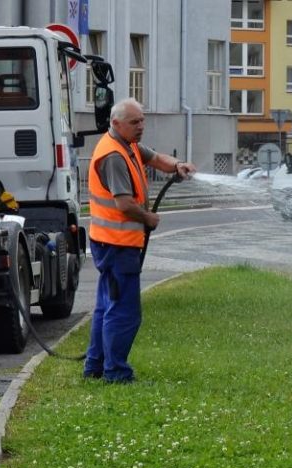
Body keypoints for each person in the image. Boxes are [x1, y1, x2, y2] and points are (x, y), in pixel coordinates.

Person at [83, 98, 196, 383]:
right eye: (135, 122)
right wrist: (148, 218)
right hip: (117, 245)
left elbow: (156, 158)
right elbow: (123, 204)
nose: (141, 126)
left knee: (106, 306)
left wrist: (178, 164)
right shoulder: (114, 157)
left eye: (142, 120)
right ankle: (116, 373)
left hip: (111, 242)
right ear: (116, 123)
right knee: (124, 312)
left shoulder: (127, 144)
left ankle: (95, 367)